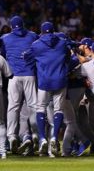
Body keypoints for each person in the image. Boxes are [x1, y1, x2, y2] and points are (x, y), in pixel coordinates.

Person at [24, 22, 69, 156]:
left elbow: (27, 58)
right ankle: (54, 137)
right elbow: (67, 57)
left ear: (42, 32)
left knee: (40, 108)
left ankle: (43, 138)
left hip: (44, 80)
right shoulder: (62, 42)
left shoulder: (36, 44)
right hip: (60, 80)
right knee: (58, 110)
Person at [1, 15, 39, 154]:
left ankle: (11, 136)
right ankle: (35, 134)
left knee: (13, 107)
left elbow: (3, 55)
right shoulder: (33, 36)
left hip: (14, 76)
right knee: (33, 106)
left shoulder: (5, 38)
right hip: (30, 75)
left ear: (11, 26)